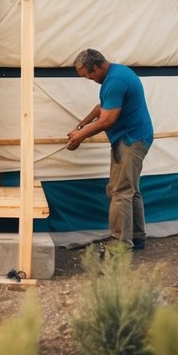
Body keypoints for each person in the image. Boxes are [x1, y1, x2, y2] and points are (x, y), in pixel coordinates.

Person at [65, 49, 153, 251]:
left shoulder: (115, 81)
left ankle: (119, 246)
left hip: (131, 140)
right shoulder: (116, 74)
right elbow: (102, 107)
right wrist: (81, 126)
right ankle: (137, 238)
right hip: (135, 137)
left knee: (119, 191)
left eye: (88, 74)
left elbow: (108, 119)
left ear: (96, 67)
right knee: (131, 190)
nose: (88, 78)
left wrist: (80, 136)